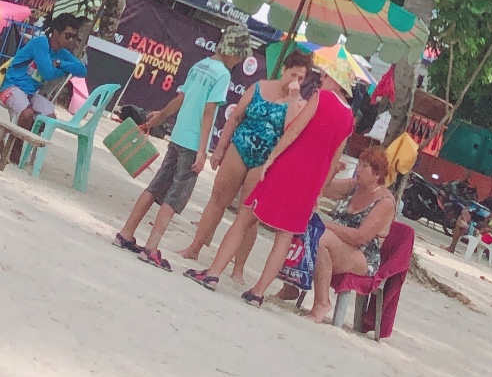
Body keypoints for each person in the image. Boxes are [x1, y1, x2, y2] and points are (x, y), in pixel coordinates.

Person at [201, 42, 358, 303]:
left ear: (336, 80)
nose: (322, 78)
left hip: (289, 166)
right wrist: (320, 190)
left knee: (245, 216)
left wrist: (272, 158)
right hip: (312, 180)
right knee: (285, 236)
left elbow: (294, 129)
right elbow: (334, 159)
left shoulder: (321, 97)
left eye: (327, 75)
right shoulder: (349, 118)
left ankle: (213, 273)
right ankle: (258, 291)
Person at [115, 30, 239, 265]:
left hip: (178, 134)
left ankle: (126, 232)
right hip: (192, 142)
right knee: (175, 197)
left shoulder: (200, 65)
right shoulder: (222, 75)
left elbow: (180, 98)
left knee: (155, 186)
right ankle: (151, 248)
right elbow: (209, 111)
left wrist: (161, 116)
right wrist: (203, 150)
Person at [179, 49, 308, 264]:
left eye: (301, 78)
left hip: (266, 158)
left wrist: (293, 99)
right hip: (240, 145)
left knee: (248, 215)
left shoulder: (300, 104)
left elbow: (291, 131)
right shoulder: (260, 87)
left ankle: (238, 266)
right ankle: (195, 247)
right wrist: (220, 148)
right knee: (218, 199)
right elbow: (236, 117)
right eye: (293, 74)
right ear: (284, 70)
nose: (295, 80)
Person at [300, 142, 399, 323]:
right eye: (359, 164)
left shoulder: (385, 202)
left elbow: (360, 237)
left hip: (363, 254)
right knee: (306, 229)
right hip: (338, 241)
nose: (358, 170)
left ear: (377, 174)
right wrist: (333, 172)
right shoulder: (355, 186)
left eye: (364, 166)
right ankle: (291, 286)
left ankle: (322, 303)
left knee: (319, 236)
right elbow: (321, 188)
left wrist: (326, 225)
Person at [0, 11, 91, 165]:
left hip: (30, 93)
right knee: (27, 114)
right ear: (56, 32)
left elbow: (82, 70)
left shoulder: (62, 54)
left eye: (73, 37)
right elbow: (47, 73)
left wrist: (60, 64)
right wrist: (63, 70)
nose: (71, 40)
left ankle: (5, 132)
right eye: (68, 35)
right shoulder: (40, 43)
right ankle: (12, 154)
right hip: (11, 86)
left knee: (50, 118)